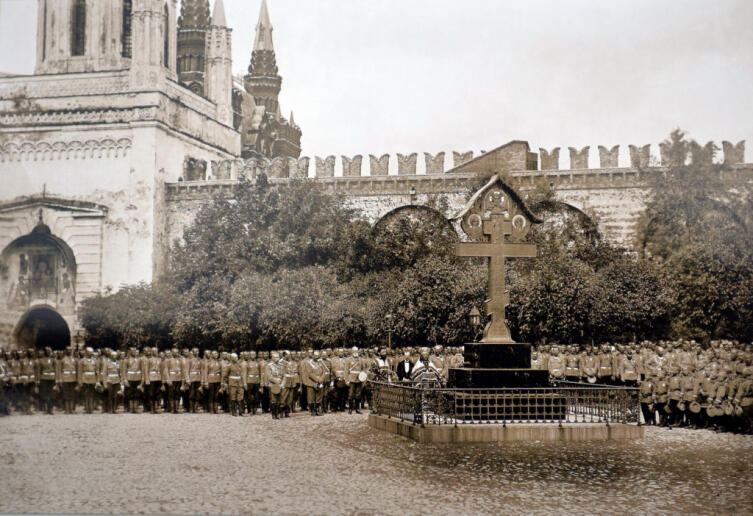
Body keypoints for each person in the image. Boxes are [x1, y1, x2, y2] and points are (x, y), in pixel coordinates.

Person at [36, 347, 58, 414]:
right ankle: (46, 409)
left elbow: (56, 370)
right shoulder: (41, 360)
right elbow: (39, 371)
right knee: (45, 394)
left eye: (49, 351)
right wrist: (38, 379)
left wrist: (56, 379)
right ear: (45, 352)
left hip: (52, 379)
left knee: (52, 394)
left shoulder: (54, 360)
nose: (48, 352)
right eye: (47, 351)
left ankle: (50, 408)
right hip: (44, 379)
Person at [77, 347, 99, 414]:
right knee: (86, 394)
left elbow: (97, 371)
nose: (91, 353)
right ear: (86, 352)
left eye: (91, 352)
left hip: (93, 379)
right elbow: (79, 371)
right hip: (85, 378)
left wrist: (97, 381)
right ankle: (87, 408)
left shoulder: (95, 360)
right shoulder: (82, 361)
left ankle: (91, 408)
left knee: (92, 394)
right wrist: (80, 381)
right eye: (89, 352)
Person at [100, 349, 122, 414]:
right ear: (111, 356)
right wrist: (105, 383)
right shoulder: (107, 363)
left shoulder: (118, 363)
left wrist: (121, 382)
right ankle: (110, 409)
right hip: (109, 380)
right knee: (110, 395)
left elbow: (120, 373)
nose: (114, 357)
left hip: (117, 381)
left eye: (115, 356)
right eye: (113, 355)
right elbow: (104, 374)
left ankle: (114, 409)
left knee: (115, 396)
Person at [345, 347, 364, 414]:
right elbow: (346, 371)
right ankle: (350, 409)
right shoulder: (348, 360)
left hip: (359, 379)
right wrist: (346, 380)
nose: (355, 352)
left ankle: (357, 409)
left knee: (358, 394)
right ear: (352, 351)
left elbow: (363, 369)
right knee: (351, 394)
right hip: (351, 379)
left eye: (356, 350)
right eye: (354, 351)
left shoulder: (361, 360)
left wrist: (363, 378)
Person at [265, 351, 283, 419]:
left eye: (278, 357)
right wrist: (276, 381)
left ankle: (278, 413)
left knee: (279, 400)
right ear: (272, 358)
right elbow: (269, 377)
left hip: (280, 384)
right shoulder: (269, 366)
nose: (277, 358)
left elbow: (283, 375)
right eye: (275, 357)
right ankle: (274, 414)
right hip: (272, 384)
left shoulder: (281, 365)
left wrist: (282, 383)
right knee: (273, 400)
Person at [59, 347, 78, 414]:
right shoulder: (63, 360)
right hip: (65, 379)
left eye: (70, 350)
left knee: (73, 394)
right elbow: (60, 370)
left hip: (73, 379)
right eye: (68, 350)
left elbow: (77, 370)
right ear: (66, 351)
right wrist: (60, 380)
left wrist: (77, 380)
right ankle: (67, 409)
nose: (69, 351)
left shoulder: (75, 359)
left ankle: (72, 409)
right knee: (66, 395)